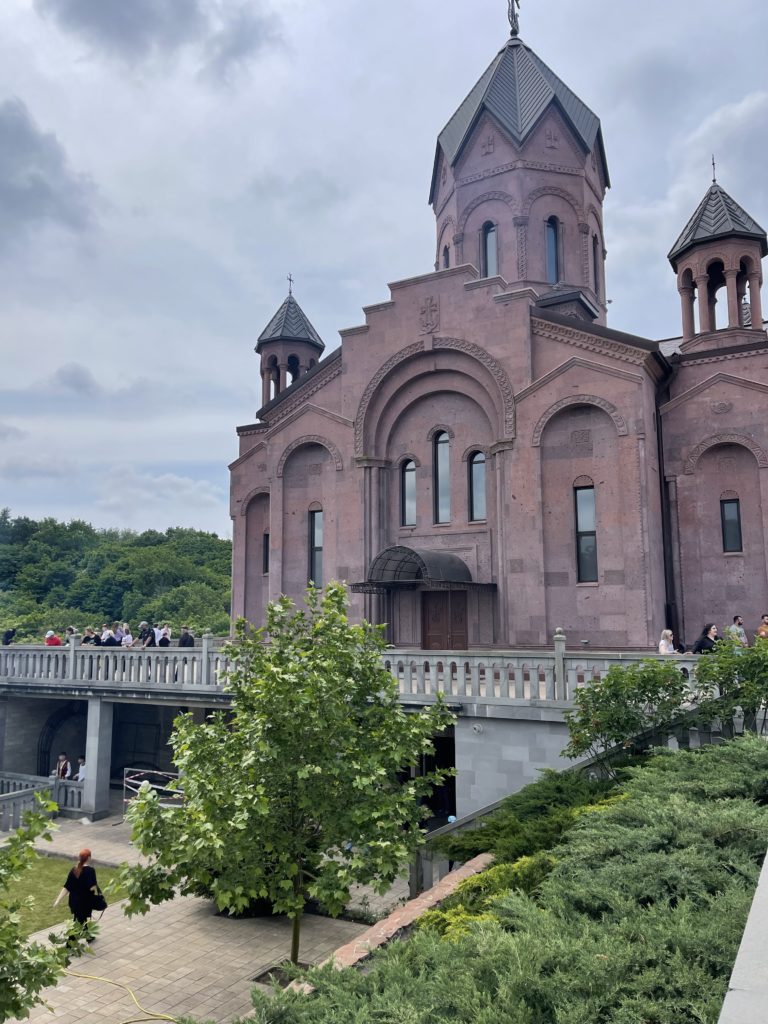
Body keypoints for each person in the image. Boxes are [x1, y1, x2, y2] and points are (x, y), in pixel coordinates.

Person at [53, 848, 99, 929]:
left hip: (74, 901)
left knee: (82, 920)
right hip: (84, 902)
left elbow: (67, 887)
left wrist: (58, 900)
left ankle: (89, 937)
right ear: (89, 858)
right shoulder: (91, 871)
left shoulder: (74, 870)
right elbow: (92, 888)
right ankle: (71, 940)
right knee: (78, 922)